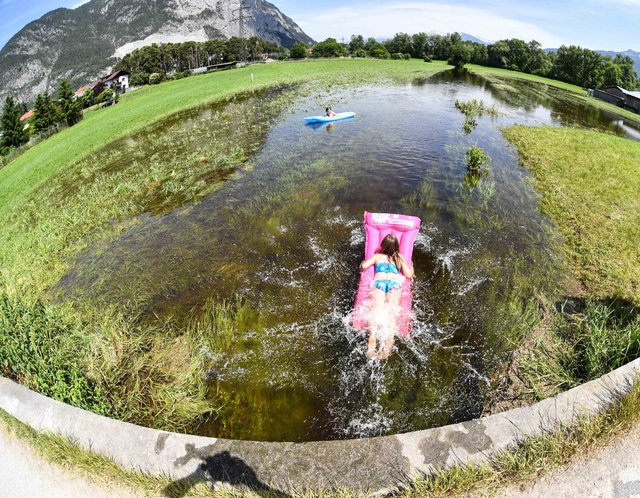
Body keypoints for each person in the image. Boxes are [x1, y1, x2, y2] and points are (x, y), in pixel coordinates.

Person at [359, 234, 414, 360]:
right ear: (397, 247)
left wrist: (362, 263)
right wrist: (412, 268)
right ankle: (388, 345)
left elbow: (364, 266)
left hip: (379, 283)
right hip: (394, 284)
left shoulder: (377, 256)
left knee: (376, 308)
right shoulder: (399, 258)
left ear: (382, 245)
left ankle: (372, 338)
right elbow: (408, 274)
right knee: (391, 311)